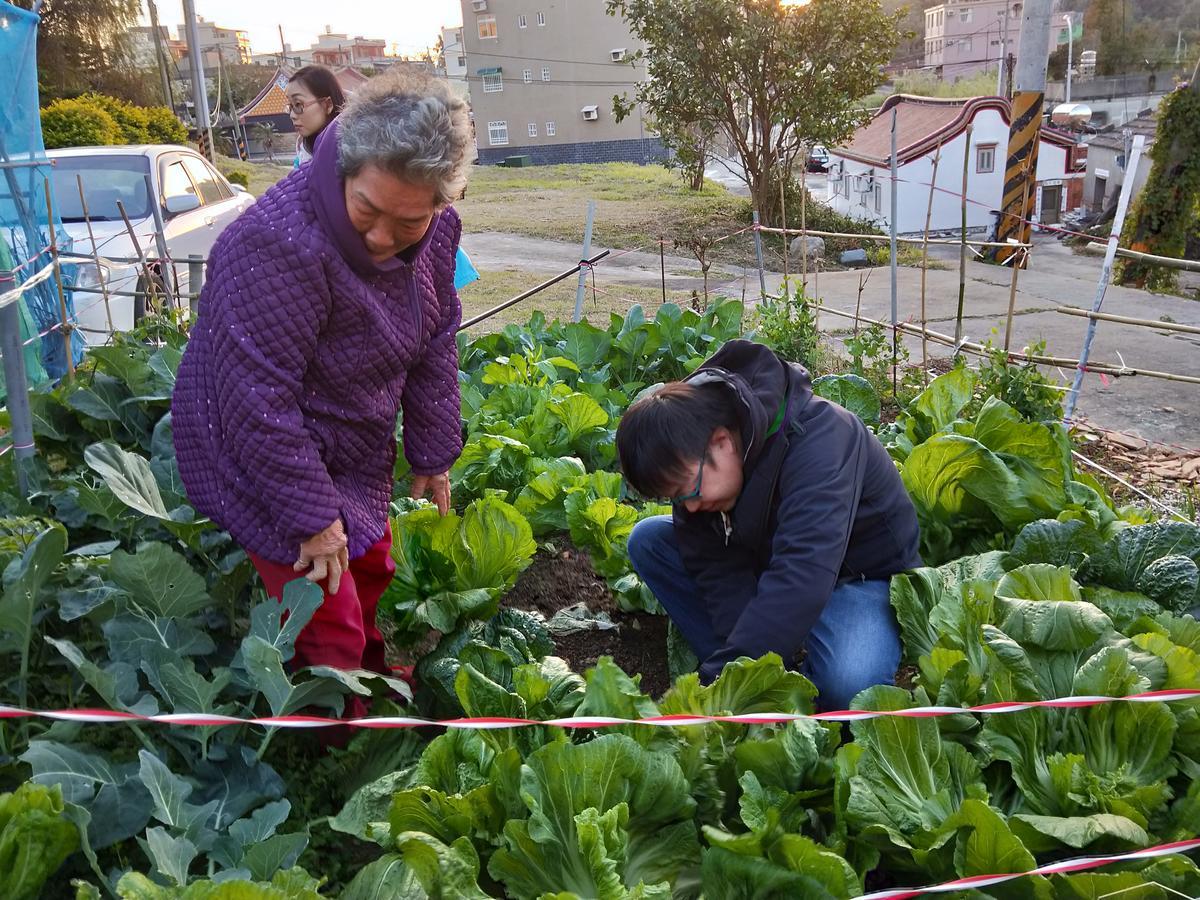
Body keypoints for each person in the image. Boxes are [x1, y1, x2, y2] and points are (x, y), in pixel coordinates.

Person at [173, 70, 474, 699]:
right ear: (344, 171)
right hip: (258, 445)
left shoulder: (438, 232)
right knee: (322, 608)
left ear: (440, 205)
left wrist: (433, 452)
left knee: (370, 565)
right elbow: (257, 400)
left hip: (348, 436)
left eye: (408, 221)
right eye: (367, 209)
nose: (382, 237)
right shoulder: (275, 244)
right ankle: (330, 744)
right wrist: (312, 518)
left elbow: (434, 336)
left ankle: (367, 678)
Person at [617, 340, 922, 710]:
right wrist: (742, 672)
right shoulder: (692, 466)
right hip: (772, 558)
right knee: (649, 540)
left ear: (722, 441)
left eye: (688, 490)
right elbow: (717, 570)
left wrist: (718, 685)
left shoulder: (822, 439)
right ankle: (750, 666)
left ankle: (751, 667)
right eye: (676, 498)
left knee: (847, 686)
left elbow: (801, 576)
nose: (690, 505)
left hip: (859, 576)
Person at [287, 65, 346, 168]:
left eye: (298, 104)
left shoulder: (354, 157)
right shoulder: (304, 154)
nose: (292, 115)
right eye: (291, 106)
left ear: (328, 105)